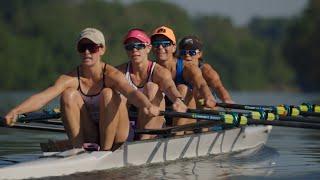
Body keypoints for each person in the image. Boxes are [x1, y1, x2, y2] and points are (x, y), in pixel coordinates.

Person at [4, 28, 159, 151]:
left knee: (107, 93)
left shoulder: (112, 75)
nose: (87, 52)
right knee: (68, 94)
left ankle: (105, 151)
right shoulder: (70, 78)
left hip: (118, 134)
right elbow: (43, 97)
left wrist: (147, 105)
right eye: (82, 47)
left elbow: (131, 93)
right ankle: (78, 150)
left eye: (92, 47)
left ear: (102, 50)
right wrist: (15, 111)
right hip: (91, 132)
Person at [117, 28, 187, 139]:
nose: (134, 50)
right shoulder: (119, 72)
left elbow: (169, 86)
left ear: (148, 48)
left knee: (151, 87)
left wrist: (178, 100)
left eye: (139, 45)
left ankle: (142, 140)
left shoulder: (159, 72)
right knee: (117, 95)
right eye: (130, 47)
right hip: (128, 126)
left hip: (153, 125)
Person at [150, 26, 216, 132]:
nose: (160, 47)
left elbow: (201, 84)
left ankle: (177, 135)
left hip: (186, 118)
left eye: (166, 44)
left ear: (174, 47)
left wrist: (208, 96)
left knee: (183, 88)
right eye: (157, 44)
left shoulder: (187, 67)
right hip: (160, 117)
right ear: (151, 47)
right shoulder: (149, 68)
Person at [178, 35, 234, 103]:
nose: (187, 55)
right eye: (183, 52)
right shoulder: (174, 69)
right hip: (181, 108)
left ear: (200, 54)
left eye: (192, 52)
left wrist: (226, 99)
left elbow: (218, 87)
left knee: (199, 93)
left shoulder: (206, 70)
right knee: (182, 89)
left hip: (204, 107)